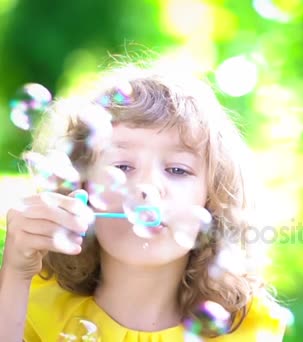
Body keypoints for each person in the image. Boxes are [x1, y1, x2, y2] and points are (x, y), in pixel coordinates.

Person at [0, 59, 287, 341]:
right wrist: (15, 272)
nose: (147, 187)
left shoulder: (244, 331)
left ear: (212, 199)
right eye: (122, 167)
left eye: (177, 169)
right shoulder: (29, 307)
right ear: (80, 185)